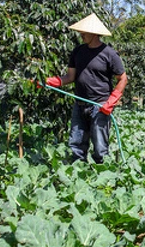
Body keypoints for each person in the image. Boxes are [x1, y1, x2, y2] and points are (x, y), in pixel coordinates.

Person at [45, 13, 128, 164]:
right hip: (80, 103)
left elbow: (123, 78)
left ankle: (103, 178)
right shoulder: (78, 52)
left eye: (84, 32)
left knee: (100, 147)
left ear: (94, 33)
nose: (81, 35)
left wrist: (111, 101)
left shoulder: (109, 54)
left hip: (100, 105)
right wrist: (49, 81)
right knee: (76, 143)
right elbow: (70, 77)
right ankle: (78, 173)